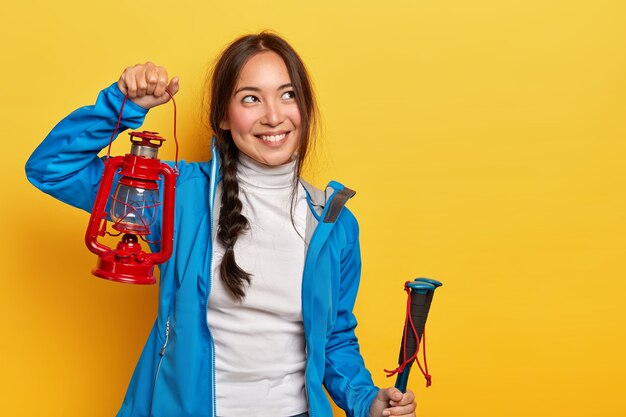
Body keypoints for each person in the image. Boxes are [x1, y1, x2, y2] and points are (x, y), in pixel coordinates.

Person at [25, 32, 417, 417]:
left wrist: (366, 400)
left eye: (288, 94)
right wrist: (120, 105)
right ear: (223, 118)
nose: (274, 115)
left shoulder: (335, 223)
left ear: (305, 107)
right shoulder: (176, 195)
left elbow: (333, 340)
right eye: (251, 98)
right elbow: (53, 169)